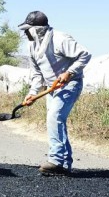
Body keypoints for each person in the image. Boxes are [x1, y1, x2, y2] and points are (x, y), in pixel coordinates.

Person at [19, 10, 91, 176]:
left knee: (54, 118)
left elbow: (85, 55)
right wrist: (32, 92)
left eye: (28, 29)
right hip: (52, 88)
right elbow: (37, 74)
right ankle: (64, 163)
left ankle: (57, 160)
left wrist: (70, 72)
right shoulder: (31, 46)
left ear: (39, 29)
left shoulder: (60, 38)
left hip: (69, 84)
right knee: (55, 121)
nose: (25, 32)